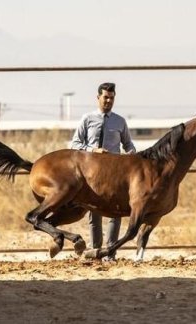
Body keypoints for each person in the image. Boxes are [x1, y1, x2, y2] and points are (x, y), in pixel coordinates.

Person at [70, 82, 136, 260]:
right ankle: (95, 251)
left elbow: (129, 145)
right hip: (93, 174)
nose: (108, 101)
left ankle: (110, 253)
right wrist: (92, 150)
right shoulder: (87, 119)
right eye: (105, 97)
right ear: (98, 97)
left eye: (112, 98)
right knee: (95, 212)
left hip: (115, 173)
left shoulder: (120, 121)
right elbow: (74, 144)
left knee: (116, 212)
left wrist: (131, 156)